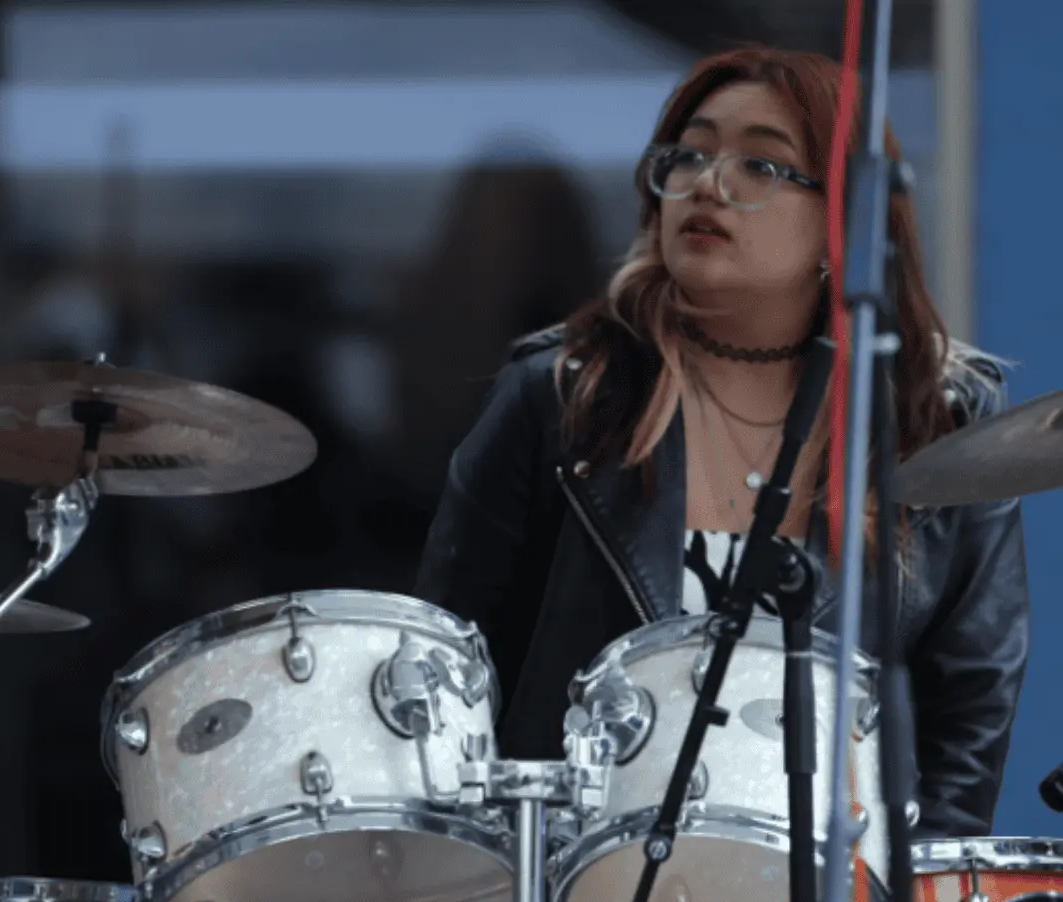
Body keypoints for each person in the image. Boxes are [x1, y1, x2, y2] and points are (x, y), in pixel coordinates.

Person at [414, 43, 1030, 853]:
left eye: (760, 166)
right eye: (691, 155)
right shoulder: (567, 395)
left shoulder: (937, 417)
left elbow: (969, 715)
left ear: (841, 219)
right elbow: (449, 670)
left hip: (834, 896)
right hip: (576, 889)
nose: (708, 182)